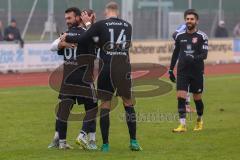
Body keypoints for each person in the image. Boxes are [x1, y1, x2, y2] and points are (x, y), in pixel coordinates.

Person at [61, 1, 142, 152]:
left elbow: (84, 39)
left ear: (106, 11)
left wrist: (70, 36)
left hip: (107, 68)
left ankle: (105, 145)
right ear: (116, 11)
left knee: (105, 105)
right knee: (128, 104)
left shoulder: (100, 25)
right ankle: (134, 141)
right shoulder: (128, 26)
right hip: (123, 68)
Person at [48, 7, 98, 150]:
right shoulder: (84, 34)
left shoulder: (66, 34)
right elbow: (95, 43)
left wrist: (63, 42)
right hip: (83, 78)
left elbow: (52, 47)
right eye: (66, 19)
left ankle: (61, 142)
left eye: (69, 18)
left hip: (68, 79)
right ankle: (88, 138)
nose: (67, 21)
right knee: (92, 108)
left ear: (78, 18)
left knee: (63, 112)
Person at [169, 9, 208, 132]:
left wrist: (194, 58)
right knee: (180, 97)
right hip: (182, 71)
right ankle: (182, 125)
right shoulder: (180, 36)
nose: (189, 21)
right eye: (187, 19)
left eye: (191, 19)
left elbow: (204, 55)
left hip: (197, 71)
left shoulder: (202, 36)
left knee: (197, 99)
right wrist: (170, 69)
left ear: (196, 21)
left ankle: (199, 120)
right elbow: (175, 54)